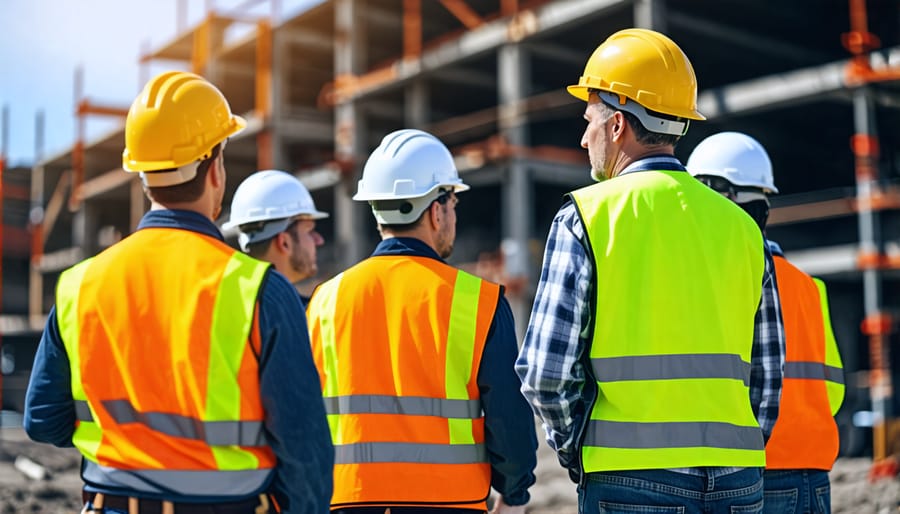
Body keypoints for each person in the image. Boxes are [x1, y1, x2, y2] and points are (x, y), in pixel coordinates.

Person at [23, 71, 334, 514]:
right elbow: (304, 451)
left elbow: (42, 421)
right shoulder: (259, 289)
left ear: (142, 174)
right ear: (215, 167)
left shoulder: (79, 285)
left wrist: (126, 444)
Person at [515, 28, 786, 513]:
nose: (584, 136)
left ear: (617, 124)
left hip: (629, 480)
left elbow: (544, 375)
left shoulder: (585, 217)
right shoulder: (744, 230)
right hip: (739, 482)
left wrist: (578, 451)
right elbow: (768, 377)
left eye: (589, 118)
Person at [306, 128, 537, 513]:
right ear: (435, 210)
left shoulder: (324, 300)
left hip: (347, 501)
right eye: (453, 203)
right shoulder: (477, 301)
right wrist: (514, 492)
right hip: (452, 503)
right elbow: (509, 423)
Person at [687, 131, 845, 514]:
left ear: (718, 197)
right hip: (814, 471)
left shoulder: (723, 281)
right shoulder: (809, 285)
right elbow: (834, 393)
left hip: (757, 471)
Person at [224, 169, 328, 296]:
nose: (319, 240)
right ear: (284, 242)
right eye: (309, 231)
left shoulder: (230, 295)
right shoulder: (285, 308)